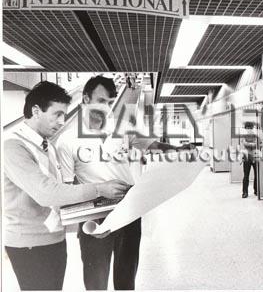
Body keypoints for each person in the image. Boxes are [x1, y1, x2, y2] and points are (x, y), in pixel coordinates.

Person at [57, 76, 187, 290]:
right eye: (101, 101)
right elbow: (69, 189)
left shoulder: (123, 128)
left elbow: (151, 145)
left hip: (128, 211)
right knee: (95, 282)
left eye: (109, 103)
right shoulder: (68, 140)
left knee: (126, 279)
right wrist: (91, 222)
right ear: (86, 99)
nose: (106, 108)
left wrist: (176, 150)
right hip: (94, 217)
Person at [3, 81, 131, 291]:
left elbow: (62, 197)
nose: (62, 121)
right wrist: (100, 188)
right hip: (28, 244)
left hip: (53, 238)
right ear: (36, 111)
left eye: (65, 115)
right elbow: (47, 194)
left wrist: (94, 223)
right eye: (57, 114)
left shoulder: (48, 147)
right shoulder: (13, 147)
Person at [241, 122, 258, 198]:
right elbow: (245, 144)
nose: (248, 130)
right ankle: (245, 192)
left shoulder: (256, 135)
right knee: (246, 175)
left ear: (252, 128)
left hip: (255, 157)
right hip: (246, 157)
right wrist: (252, 144)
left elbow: (256, 144)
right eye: (247, 128)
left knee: (256, 175)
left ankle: (256, 190)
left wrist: (249, 144)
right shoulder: (243, 136)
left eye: (250, 128)